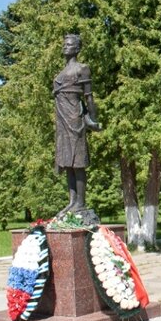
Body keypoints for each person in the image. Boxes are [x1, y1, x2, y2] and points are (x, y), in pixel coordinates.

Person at [53, 34, 99, 217]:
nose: (65, 47)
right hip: (62, 121)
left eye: (69, 44)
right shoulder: (61, 72)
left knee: (78, 162)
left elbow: (89, 97)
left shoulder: (82, 68)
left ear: (77, 49)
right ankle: (72, 201)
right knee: (67, 162)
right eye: (64, 44)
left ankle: (80, 202)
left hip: (75, 119)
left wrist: (93, 120)